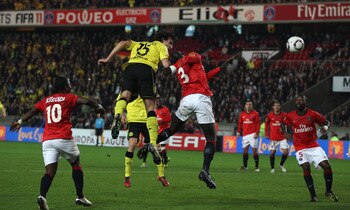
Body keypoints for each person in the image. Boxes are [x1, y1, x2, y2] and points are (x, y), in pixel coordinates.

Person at [10, 76, 105, 210]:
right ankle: (80, 196)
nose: (70, 86)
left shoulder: (46, 100)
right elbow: (86, 100)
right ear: (65, 87)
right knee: (76, 163)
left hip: (47, 140)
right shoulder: (68, 97)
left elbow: (33, 110)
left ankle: (42, 196)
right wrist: (99, 107)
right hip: (63, 137)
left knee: (49, 171)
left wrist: (20, 122)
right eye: (68, 84)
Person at [98, 31, 174, 165]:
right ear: (163, 40)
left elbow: (122, 43)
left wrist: (108, 59)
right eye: (170, 43)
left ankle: (117, 115)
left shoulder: (138, 44)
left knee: (125, 95)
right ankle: (151, 141)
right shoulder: (161, 47)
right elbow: (166, 66)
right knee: (150, 106)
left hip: (130, 68)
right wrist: (172, 68)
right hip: (146, 70)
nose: (171, 46)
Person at [157, 51, 228, 189]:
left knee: (171, 130)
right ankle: (205, 171)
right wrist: (176, 64)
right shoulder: (191, 57)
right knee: (211, 139)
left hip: (186, 99)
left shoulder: (179, 67)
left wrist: (219, 69)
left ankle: (150, 142)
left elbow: (205, 77)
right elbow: (195, 56)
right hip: (201, 97)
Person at [282, 94, 338, 202]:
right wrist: (285, 132)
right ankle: (313, 196)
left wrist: (325, 127)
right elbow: (283, 123)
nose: (298, 102)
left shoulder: (312, 114)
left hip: (313, 146)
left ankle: (328, 191)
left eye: (301, 100)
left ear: (305, 103)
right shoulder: (290, 115)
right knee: (306, 167)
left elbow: (326, 122)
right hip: (300, 147)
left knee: (326, 166)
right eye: (297, 100)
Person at [120, 94, 169, 187]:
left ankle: (161, 175)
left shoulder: (148, 84)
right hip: (133, 120)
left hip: (148, 120)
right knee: (132, 144)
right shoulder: (129, 85)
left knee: (157, 146)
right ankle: (127, 176)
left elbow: (155, 99)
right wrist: (122, 114)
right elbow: (121, 101)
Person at [139, 94, 172, 168]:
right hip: (154, 130)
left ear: (161, 102)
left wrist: (160, 121)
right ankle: (144, 162)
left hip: (163, 130)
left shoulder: (165, 109)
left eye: (160, 101)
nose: (158, 102)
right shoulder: (153, 109)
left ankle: (164, 161)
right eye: (157, 101)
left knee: (162, 147)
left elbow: (169, 119)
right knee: (150, 146)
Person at [236, 99, 261, 172]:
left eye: (250, 104)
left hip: (253, 134)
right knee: (245, 151)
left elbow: (258, 124)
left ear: (252, 106)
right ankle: (245, 166)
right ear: (245, 106)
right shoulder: (242, 114)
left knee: (254, 151)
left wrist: (256, 133)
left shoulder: (255, 113)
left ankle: (256, 167)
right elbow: (240, 124)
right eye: (247, 104)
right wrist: (238, 132)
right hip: (245, 135)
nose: (249, 106)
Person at [265, 100, 288, 173]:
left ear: (280, 107)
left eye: (278, 106)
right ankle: (272, 168)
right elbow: (266, 125)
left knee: (286, 152)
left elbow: (287, 123)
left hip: (282, 137)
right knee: (272, 153)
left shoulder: (284, 115)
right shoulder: (269, 115)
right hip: (273, 138)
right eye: (275, 106)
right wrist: (266, 134)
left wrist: (284, 130)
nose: (277, 107)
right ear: (273, 107)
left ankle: (281, 164)